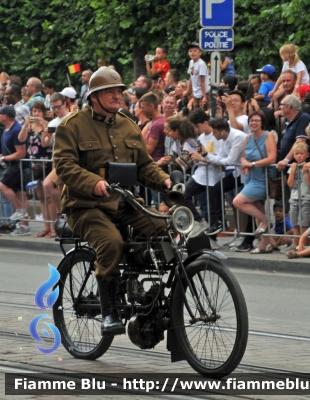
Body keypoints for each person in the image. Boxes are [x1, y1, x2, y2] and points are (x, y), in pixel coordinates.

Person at [53, 67, 171, 335]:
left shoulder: (128, 125)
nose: (117, 95)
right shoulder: (72, 126)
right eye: (110, 91)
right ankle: (109, 311)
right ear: (94, 96)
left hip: (125, 202)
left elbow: (143, 166)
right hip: (86, 207)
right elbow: (64, 166)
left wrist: (164, 180)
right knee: (111, 243)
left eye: (119, 90)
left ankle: (149, 294)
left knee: (165, 229)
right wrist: (92, 183)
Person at [233, 110, 277, 254]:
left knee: (238, 201)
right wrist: (244, 162)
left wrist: (252, 164)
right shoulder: (248, 137)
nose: (253, 123)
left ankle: (265, 221)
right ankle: (265, 245)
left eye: (257, 120)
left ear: (262, 122)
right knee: (257, 210)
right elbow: (243, 156)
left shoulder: (268, 135)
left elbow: (272, 158)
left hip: (262, 179)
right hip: (250, 178)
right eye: (251, 120)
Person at [204, 118, 247, 242]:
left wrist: (206, 156)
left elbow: (229, 161)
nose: (213, 135)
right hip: (236, 172)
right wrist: (208, 157)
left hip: (244, 173)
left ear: (222, 132)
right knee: (216, 189)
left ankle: (243, 235)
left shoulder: (237, 136)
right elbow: (221, 157)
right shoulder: (224, 138)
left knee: (241, 204)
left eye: (215, 132)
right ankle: (221, 221)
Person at [184, 109, 222, 248]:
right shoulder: (200, 138)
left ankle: (213, 239)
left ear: (205, 123)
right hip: (200, 175)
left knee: (212, 208)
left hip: (214, 176)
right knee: (183, 195)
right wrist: (194, 158)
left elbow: (220, 159)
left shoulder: (216, 136)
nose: (196, 130)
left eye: (197, 126)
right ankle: (199, 221)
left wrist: (202, 158)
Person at [18, 101, 55, 238]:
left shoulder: (47, 124)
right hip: (34, 165)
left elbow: (46, 145)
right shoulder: (29, 126)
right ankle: (46, 227)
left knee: (49, 197)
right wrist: (25, 125)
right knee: (41, 197)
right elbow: (20, 139)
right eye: (34, 111)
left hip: (45, 163)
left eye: (39, 111)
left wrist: (46, 129)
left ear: (43, 113)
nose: (36, 114)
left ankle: (53, 226)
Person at [0, 105, 31, 236]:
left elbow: (21, 153)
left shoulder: (16, 129)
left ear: (5, 116)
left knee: (2, 185)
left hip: (18, 165)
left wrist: (3, 158)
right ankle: (24, 227)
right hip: (13, 164)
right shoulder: (7, 129)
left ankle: (20, 209)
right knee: (21, 194)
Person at [269, 44, 309, 110]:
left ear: (288, 55)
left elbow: (299, 78)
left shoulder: (299, 63)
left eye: (282, 55)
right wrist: (274, 90)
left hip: (301, 85)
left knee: (292, 98)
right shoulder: (286, 63)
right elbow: (281, 77)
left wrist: (295, 91)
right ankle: (274, 111)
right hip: (291, 83)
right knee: (274, 96)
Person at [276, 95, 310, 171]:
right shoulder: (290, 121)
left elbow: (300, 141)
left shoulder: (303, 118)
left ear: (289, 107)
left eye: (282, 105)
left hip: (300, 170)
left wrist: (286, 160)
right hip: (290, 169)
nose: (280, 107)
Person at [286, 142, 310, 249]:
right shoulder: (292, 167)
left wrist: (306, 172)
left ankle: (303, 245)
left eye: (302, 153)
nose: (299, 156)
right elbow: (290, 184)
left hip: (306, 198)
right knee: (295, 223)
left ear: (307, 155)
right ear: (294, 155)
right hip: (294, 198)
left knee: (304, 223)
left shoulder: (308, 166)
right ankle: (295, 244)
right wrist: (293, 170)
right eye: (297, 153)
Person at [183, 42, 210, 110]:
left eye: (195, 51)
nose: (192, 53)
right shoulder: (191, 62)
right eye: (190, 51)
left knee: (203, 110)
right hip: (195, 93)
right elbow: (191, 77)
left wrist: (204, 96)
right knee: (195, 109)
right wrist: (187, 91)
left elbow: (202, 81)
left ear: (200, 53)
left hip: (203, 92)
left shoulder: (201, 64)